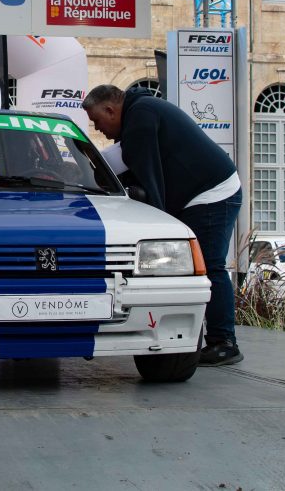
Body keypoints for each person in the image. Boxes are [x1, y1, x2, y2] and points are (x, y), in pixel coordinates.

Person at [82, 84, 244, 366]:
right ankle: (211, 337)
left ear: (110, 109)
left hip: (212, 194)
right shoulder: (141, 112)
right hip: (206, 192)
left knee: (209, 265)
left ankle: (224, 342)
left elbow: (149, 183)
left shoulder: (140, 119)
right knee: (202, 265)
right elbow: (120, 165)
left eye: (97, 121)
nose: (98, 129)